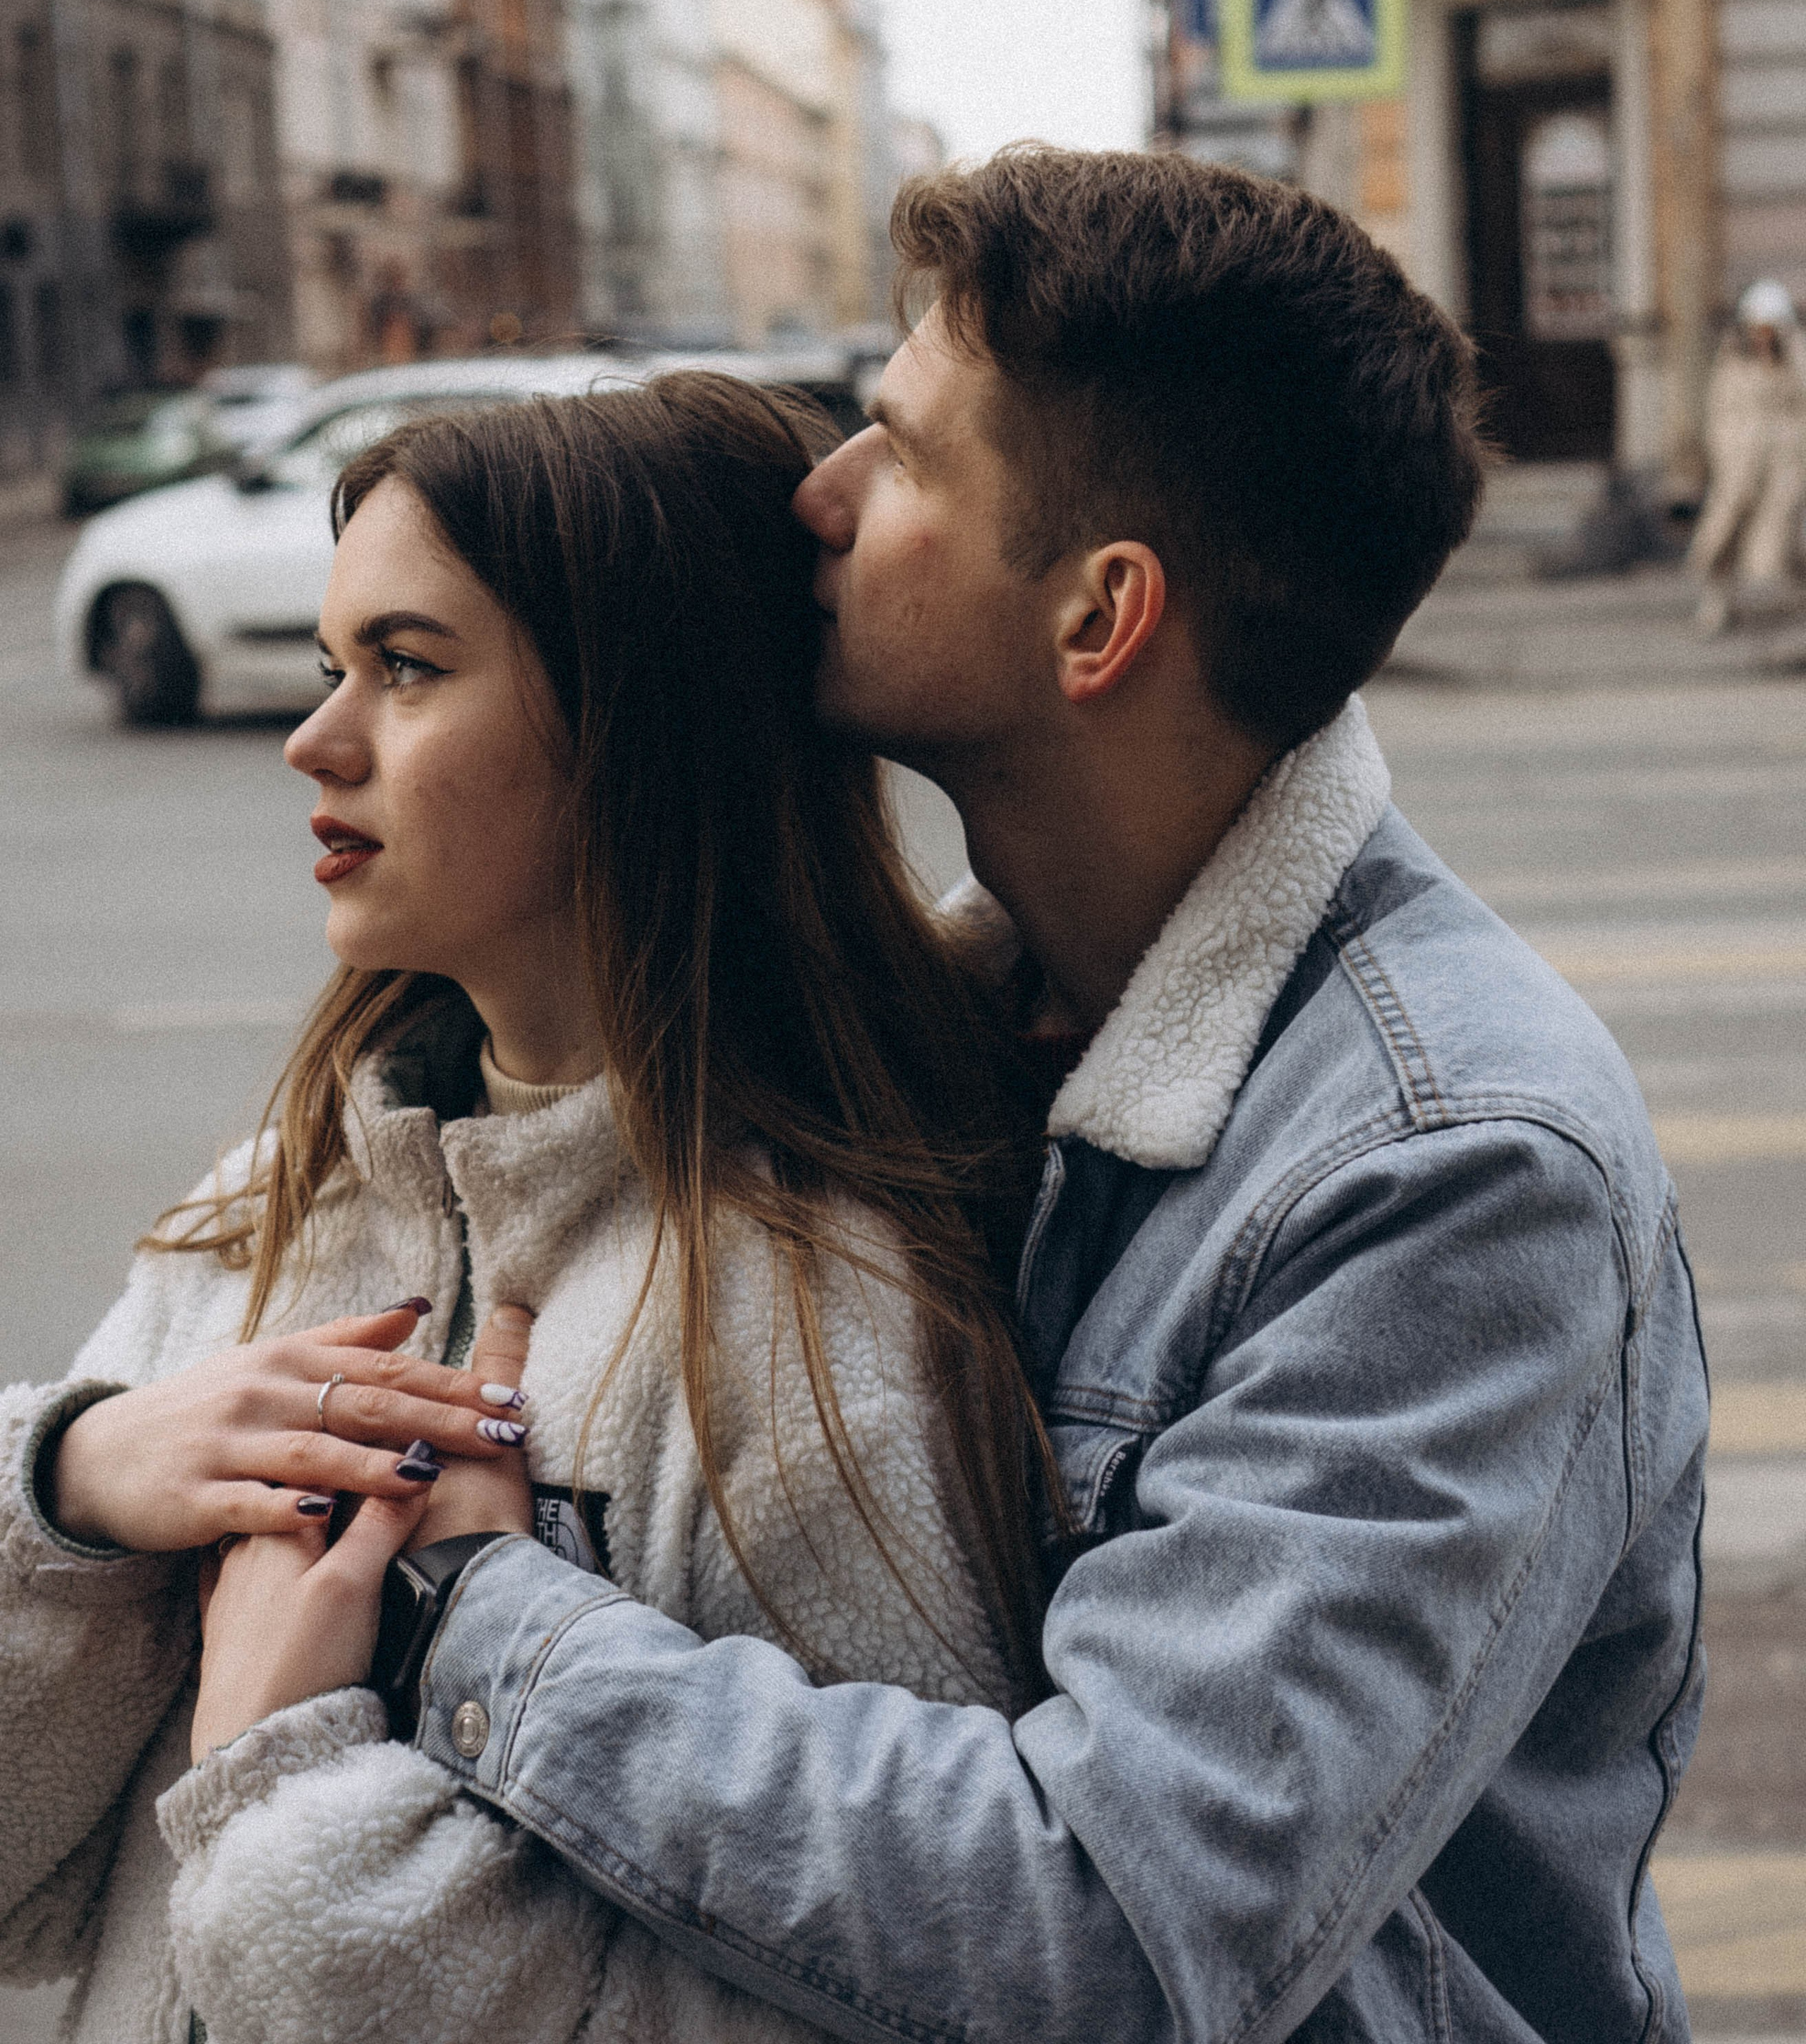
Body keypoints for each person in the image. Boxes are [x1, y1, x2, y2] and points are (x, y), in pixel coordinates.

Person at [376, 150, 1710, 2043]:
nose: (818, 498)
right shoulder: (976, 1019)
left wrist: (483, 1614)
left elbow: (1109, 1921)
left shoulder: (1455, 1163)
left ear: (1101, 619)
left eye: (907, 457)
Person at [0, 375, 1051, 2042]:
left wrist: (290, 1801)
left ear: (635, 724)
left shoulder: (808, 1328)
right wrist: (69, 1486)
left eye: (406, 667)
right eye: (335, 660)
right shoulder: (298, 1182)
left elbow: (873, 1994)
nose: (314, 737)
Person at [1689, 274, 1806, 634]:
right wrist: (1724, 456)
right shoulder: (1732, 360)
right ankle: (1717, 604)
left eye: (1770, 329)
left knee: (1781, 536)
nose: (1762, 337)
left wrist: (1793, 348)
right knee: (1723, 533)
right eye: (1757, 328)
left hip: (1784, 462)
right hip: (1738, 463)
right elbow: (1719, 412)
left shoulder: (1795, 359)